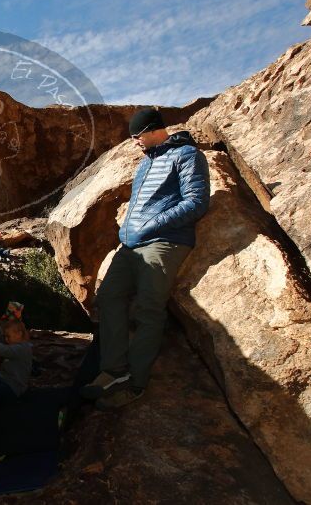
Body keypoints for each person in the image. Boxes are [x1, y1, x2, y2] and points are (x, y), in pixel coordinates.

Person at [81, 107, 210, 410]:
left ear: (154, 130)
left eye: (137, 136)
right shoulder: (145, 164)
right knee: (109, 296)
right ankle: (114, 370)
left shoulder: (188, 155)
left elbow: (196, 202)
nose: (135, 142)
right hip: (130, 246)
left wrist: (153, 225)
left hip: (165, 243)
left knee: (149, 309)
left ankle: (135, 383)